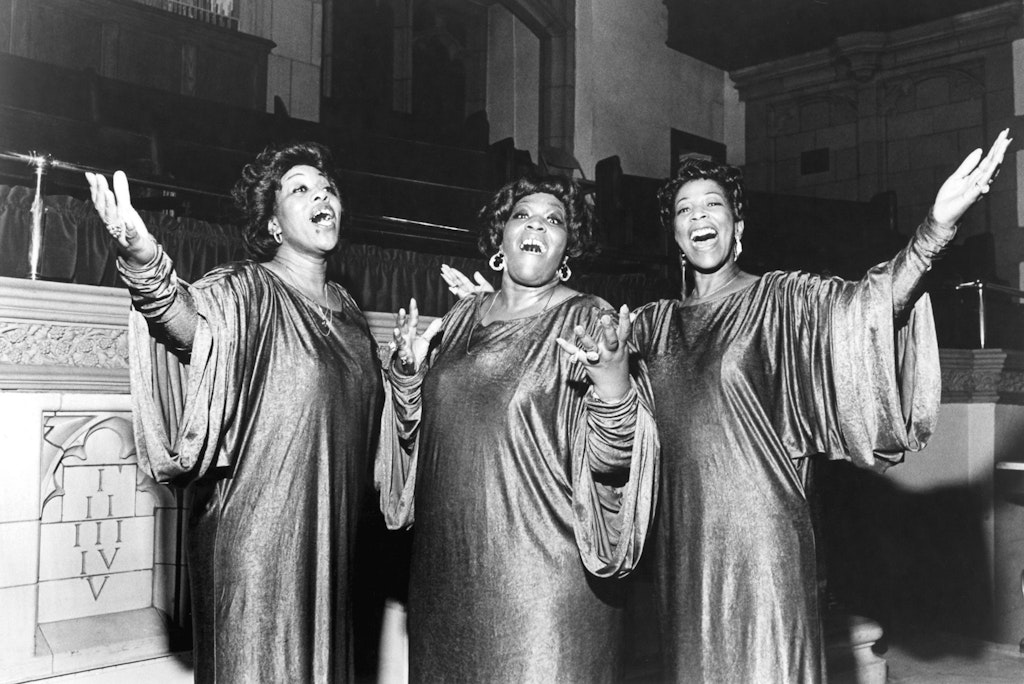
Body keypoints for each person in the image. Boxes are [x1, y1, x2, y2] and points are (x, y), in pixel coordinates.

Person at [626, 130, 1010, 683]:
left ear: (737, 227)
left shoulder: (780, 300)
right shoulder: (654, 324)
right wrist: (499, 316)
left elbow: (869, 307)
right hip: (685, 548)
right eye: (684, 209)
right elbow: (588, 354)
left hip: (766, 541)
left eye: (713, 204)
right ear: (676, 235)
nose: (698, 216)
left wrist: (935, 228)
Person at [85, 141, 385, 683]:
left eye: (328, 188)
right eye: (300, 189)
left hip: (333, 551)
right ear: (272, 223)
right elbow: (184, 324)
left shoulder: (352, 315)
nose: (322, 195)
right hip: (255, 542)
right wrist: (142, 256)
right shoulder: (247, 290)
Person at [375, 174, 660, 683]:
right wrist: (407, 375)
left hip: (542, 586)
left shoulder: (587, 319)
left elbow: (617, 463)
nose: (537, 224)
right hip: (446, 578)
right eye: (523, 215)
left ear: (566, 250)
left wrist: (615, 386)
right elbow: (421, 442)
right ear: (499, 241)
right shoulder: (460, 320)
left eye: (555, 220)